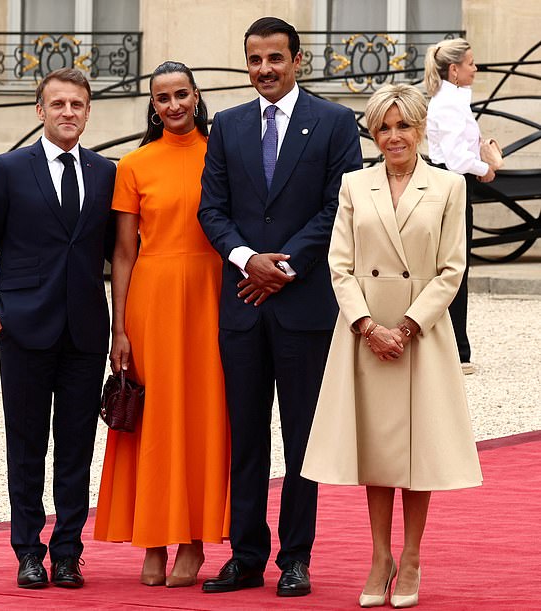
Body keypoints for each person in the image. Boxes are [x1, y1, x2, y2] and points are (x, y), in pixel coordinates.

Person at [198, 17, 362, 597]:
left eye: (274, 58)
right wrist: (249, 260)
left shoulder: (336, 123)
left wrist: (283, 266)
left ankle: (295, 558)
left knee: (300, 441)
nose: (263, 69)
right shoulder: (228, 125)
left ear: (297, 59)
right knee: (245, 437)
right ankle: (246, 556)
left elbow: (340, 206)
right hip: (242, 303)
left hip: (304, 308)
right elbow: (211, 209)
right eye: (253, 60)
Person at [302, 84, 483, 609]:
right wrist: (366, 325)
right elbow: (340, 264)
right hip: (365, 334)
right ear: (373, 132)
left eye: (404, 125)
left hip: (419, 334)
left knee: (416, 449)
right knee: (377, 448)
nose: (394, 136)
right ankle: (379, 556)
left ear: (421, 128)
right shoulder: (355, 185)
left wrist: (405, 327)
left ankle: (410, 557)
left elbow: (452, 270)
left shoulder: (448, 186)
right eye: (384, 127)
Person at [0, 68, 116, 588]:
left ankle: (68, 552)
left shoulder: (105, 172)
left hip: (85, 333)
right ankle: (28, 550)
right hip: (24, 330)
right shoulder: (7, 169)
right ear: (40, 111)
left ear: (88, 111)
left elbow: (119, 252)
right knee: (27, 446)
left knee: (76, 446)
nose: (68, 113)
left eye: (77, 104)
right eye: (58, 105)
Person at [93, 61, 230, 588]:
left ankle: (194, 540)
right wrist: (119, 328)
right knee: (151, 421)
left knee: (200, 417)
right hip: (151, 300)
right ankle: (151, 538)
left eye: (181, 94)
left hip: (210, 296)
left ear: (196, 96)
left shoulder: (222, 155)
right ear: (152, 105)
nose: (173, 105)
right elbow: (123, 254)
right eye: (162, 98)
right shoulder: (134, 164)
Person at [424, 37, 496, 375]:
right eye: (470, 63)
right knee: (454, 266)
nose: (475, 68)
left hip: (450, 184)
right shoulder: (449, 103)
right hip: (451, 185)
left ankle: (455, 348)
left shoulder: (451, 99)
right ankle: (456, 351)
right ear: (454, 69)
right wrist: (485, 168)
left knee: (452, 265)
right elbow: (454, 157)